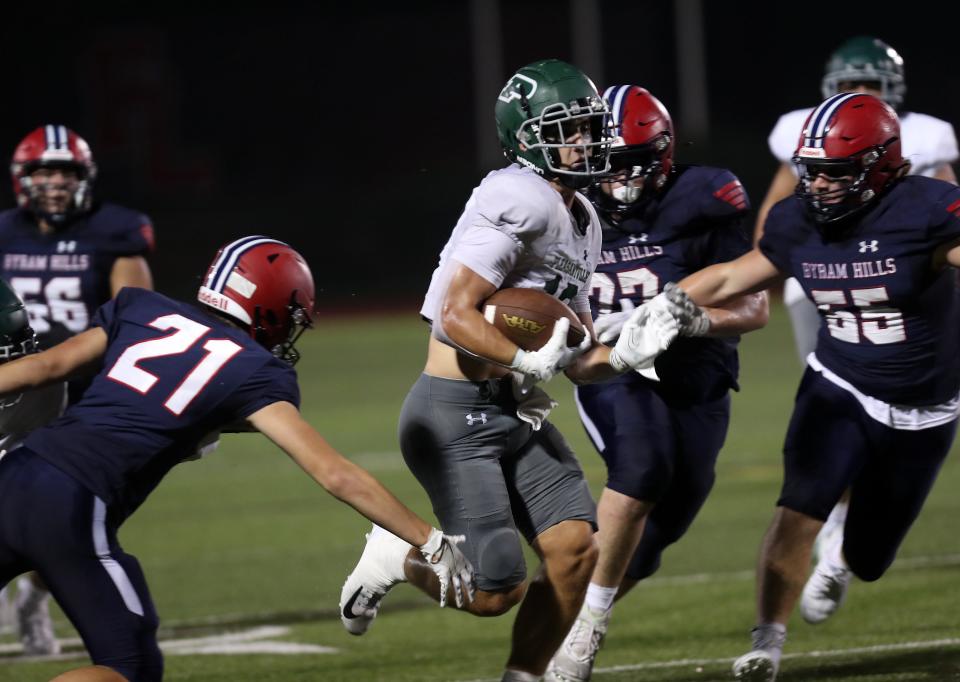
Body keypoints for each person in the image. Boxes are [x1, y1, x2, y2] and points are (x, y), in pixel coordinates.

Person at [336, 60, 683, 682]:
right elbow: (453, 316)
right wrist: (526, 357)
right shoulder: (516, 196)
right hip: (453, 410)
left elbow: (575, 360)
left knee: (577, 551)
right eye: (570, 128)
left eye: (589, 127)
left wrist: (627, 354)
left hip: (513, 409)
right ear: (527, 137)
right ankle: (396, 556)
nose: (588, 141)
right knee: (496, 591)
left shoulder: (585, 217)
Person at [0, 235, 477, 682]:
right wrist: (429, 540)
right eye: (292, 315)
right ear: (269, 306)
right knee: (130, 667)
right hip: (73, 504)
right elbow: (334, 473)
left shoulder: (141, 307)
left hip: (16, 473)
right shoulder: (255, 371)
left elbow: (44, 367)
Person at [669, 93, 960, 682]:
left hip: (924, 407)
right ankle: (766, 645)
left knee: (871, 557)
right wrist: (663, 305)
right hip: (839, 386)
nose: (818, 185)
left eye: (834, 172)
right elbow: (732, 274)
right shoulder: (796, 220)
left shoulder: (927, 211)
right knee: (797, 508)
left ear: (879, 167)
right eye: (813, 170)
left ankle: (844, 559)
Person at [543, 85, 768, 682]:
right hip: (610, 370)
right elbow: (555, 333)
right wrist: (591, 343)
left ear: (663, 155)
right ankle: (586, 630)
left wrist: (697, 319)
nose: (614, 179)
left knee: (664, 527)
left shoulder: (704, 197)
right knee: (642, 470)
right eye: (605, 163)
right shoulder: (562, 209)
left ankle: (566, 608)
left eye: (630, 164)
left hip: (698, 377)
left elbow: (755, 309)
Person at [752, 35, 959, 616]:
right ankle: (828, 522)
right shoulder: (806, 130)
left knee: (878, 426)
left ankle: (845, 545)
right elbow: (775, 218)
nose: (859, 94)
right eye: (850, 84)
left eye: (871, 85)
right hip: (826, 287)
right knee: (839, 414)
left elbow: (943, 213)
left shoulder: (924, 143)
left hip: (901, 294)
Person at [0, 124, 156, 656]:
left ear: (84, 177)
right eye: (43, 171)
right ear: (23, 178)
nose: (54, 183)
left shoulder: (114, 230)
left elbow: (139, 309)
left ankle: (34, 596)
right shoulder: (4, 231)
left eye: (65, 172)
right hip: (12, 387)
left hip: (84, 393)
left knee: (68, 514)